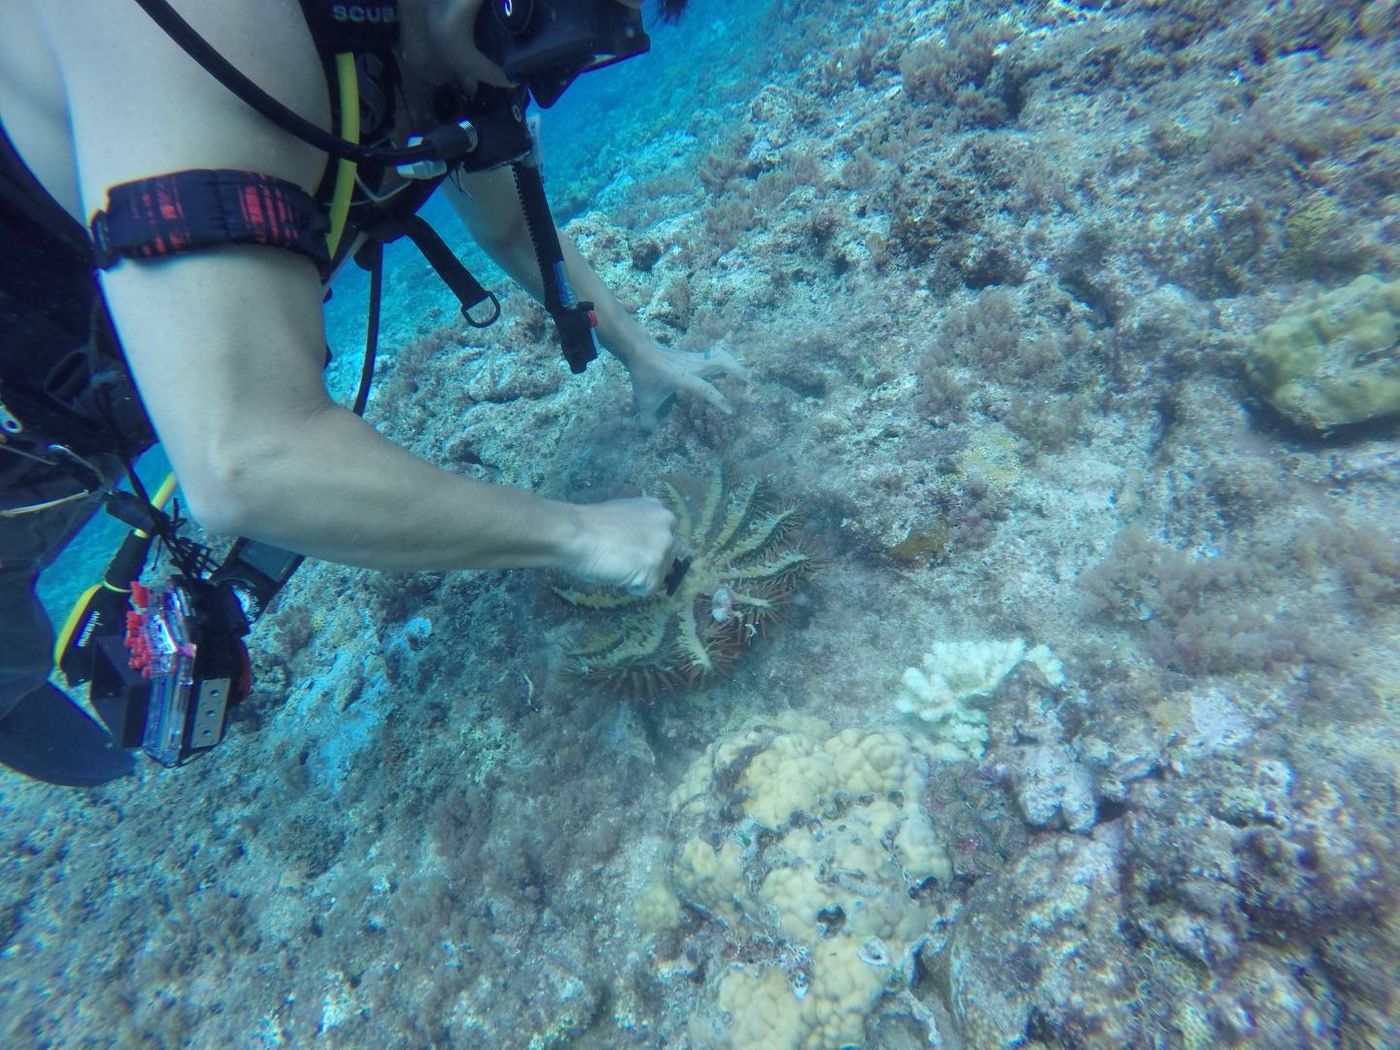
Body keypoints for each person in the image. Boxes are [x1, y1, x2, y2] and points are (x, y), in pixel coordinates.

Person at [0, 0, 744, 785]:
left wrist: (641, 350)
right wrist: (584, 537)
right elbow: (245, 463)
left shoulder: (440, 39)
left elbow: (507, 225)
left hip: (117, 396)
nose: (538, 68)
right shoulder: (208, 22)